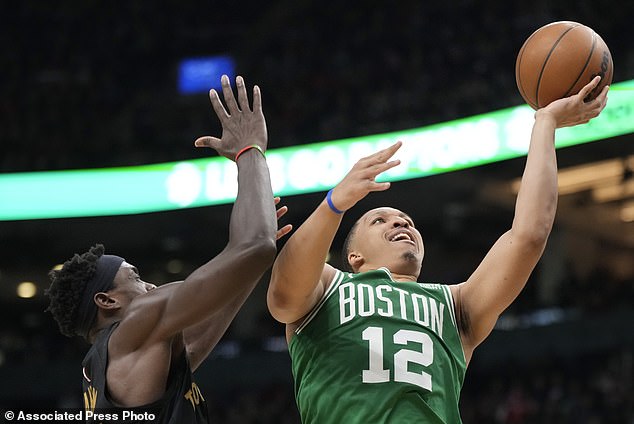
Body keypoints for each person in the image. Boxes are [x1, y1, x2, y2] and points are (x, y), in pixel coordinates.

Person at [267, 76, 609, 423]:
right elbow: (282, 295)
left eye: (407, 220)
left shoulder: (457, 306)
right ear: (354, 257)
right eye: (380, 220)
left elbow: (529, 236)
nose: (401, 223)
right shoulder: (329, 288)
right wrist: (334, 204)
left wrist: (545, 124)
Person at [46, 75, 291, 423]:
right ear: (108, 300)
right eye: (136, 277)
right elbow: (255, 245)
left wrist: (248, 268)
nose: (150, 288)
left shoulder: (103, 365)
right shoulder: (135, 323)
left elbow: (192, 345)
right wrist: (249, 151)